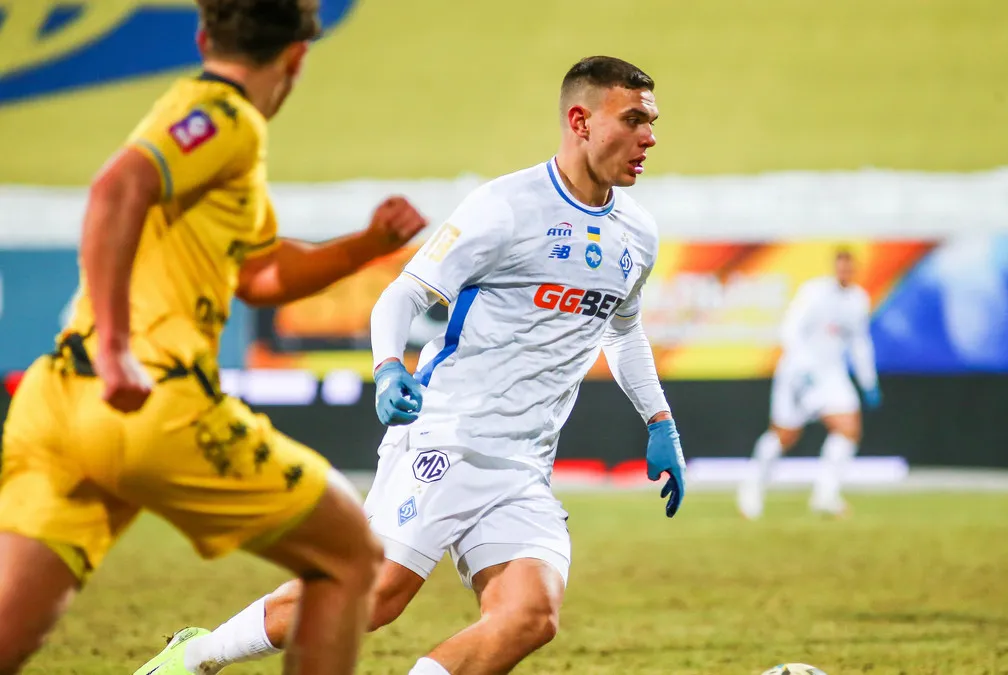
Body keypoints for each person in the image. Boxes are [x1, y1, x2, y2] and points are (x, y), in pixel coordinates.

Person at [139, 55, 687, 675]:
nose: (649, 137)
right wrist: (388, 369)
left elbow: (623, 330)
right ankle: (195, 657)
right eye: (634, 120)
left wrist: (660, 422)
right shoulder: (505, 207)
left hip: (523, 465)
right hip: (446, 438)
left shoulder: (637, 234)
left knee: (529, 616)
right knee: (375, 598)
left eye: (652, 121)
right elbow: (403, 295)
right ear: (581, 121)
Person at [0, 1, 431, 673]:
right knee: (350, 558)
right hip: (151, 400)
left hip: (59, 401)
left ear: (202, 36)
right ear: (297, 57)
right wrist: (116, 348)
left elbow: (259, 274)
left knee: (9, 631)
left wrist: (366, 245)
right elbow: (116, 187)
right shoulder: (223, 116)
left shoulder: (208, 139)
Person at [737, 249, 880, 520]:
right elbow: (790, 328)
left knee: (849, 428)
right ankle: (751, 489)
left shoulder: (858, 300)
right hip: (799, 372)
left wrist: (868, 381)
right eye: (841, 267)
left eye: (849, 268)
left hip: (832, 373)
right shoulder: (814, 293)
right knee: (785, 435)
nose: (845, 273)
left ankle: (825, 496)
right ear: (835, 268)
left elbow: (859, 342)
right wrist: (803, 368)